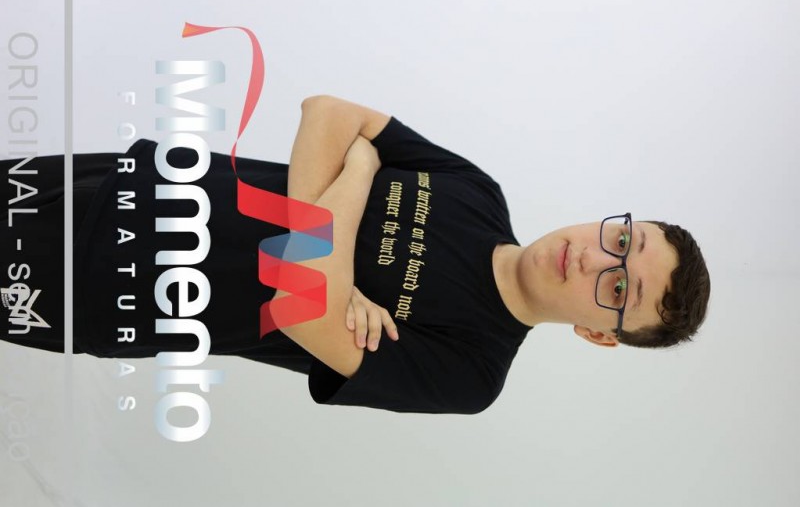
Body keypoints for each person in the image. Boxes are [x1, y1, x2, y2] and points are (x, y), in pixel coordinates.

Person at [0, 95, 711, 414]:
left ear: (598, 333)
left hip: (113, 289)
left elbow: (298, 309)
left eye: (620, 289)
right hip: (136, 180)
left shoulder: (472, 370)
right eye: (623, 240)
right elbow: (328, 111)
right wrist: (333, 272)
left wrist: (361, 169)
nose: (595, 259)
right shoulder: (477, 192)